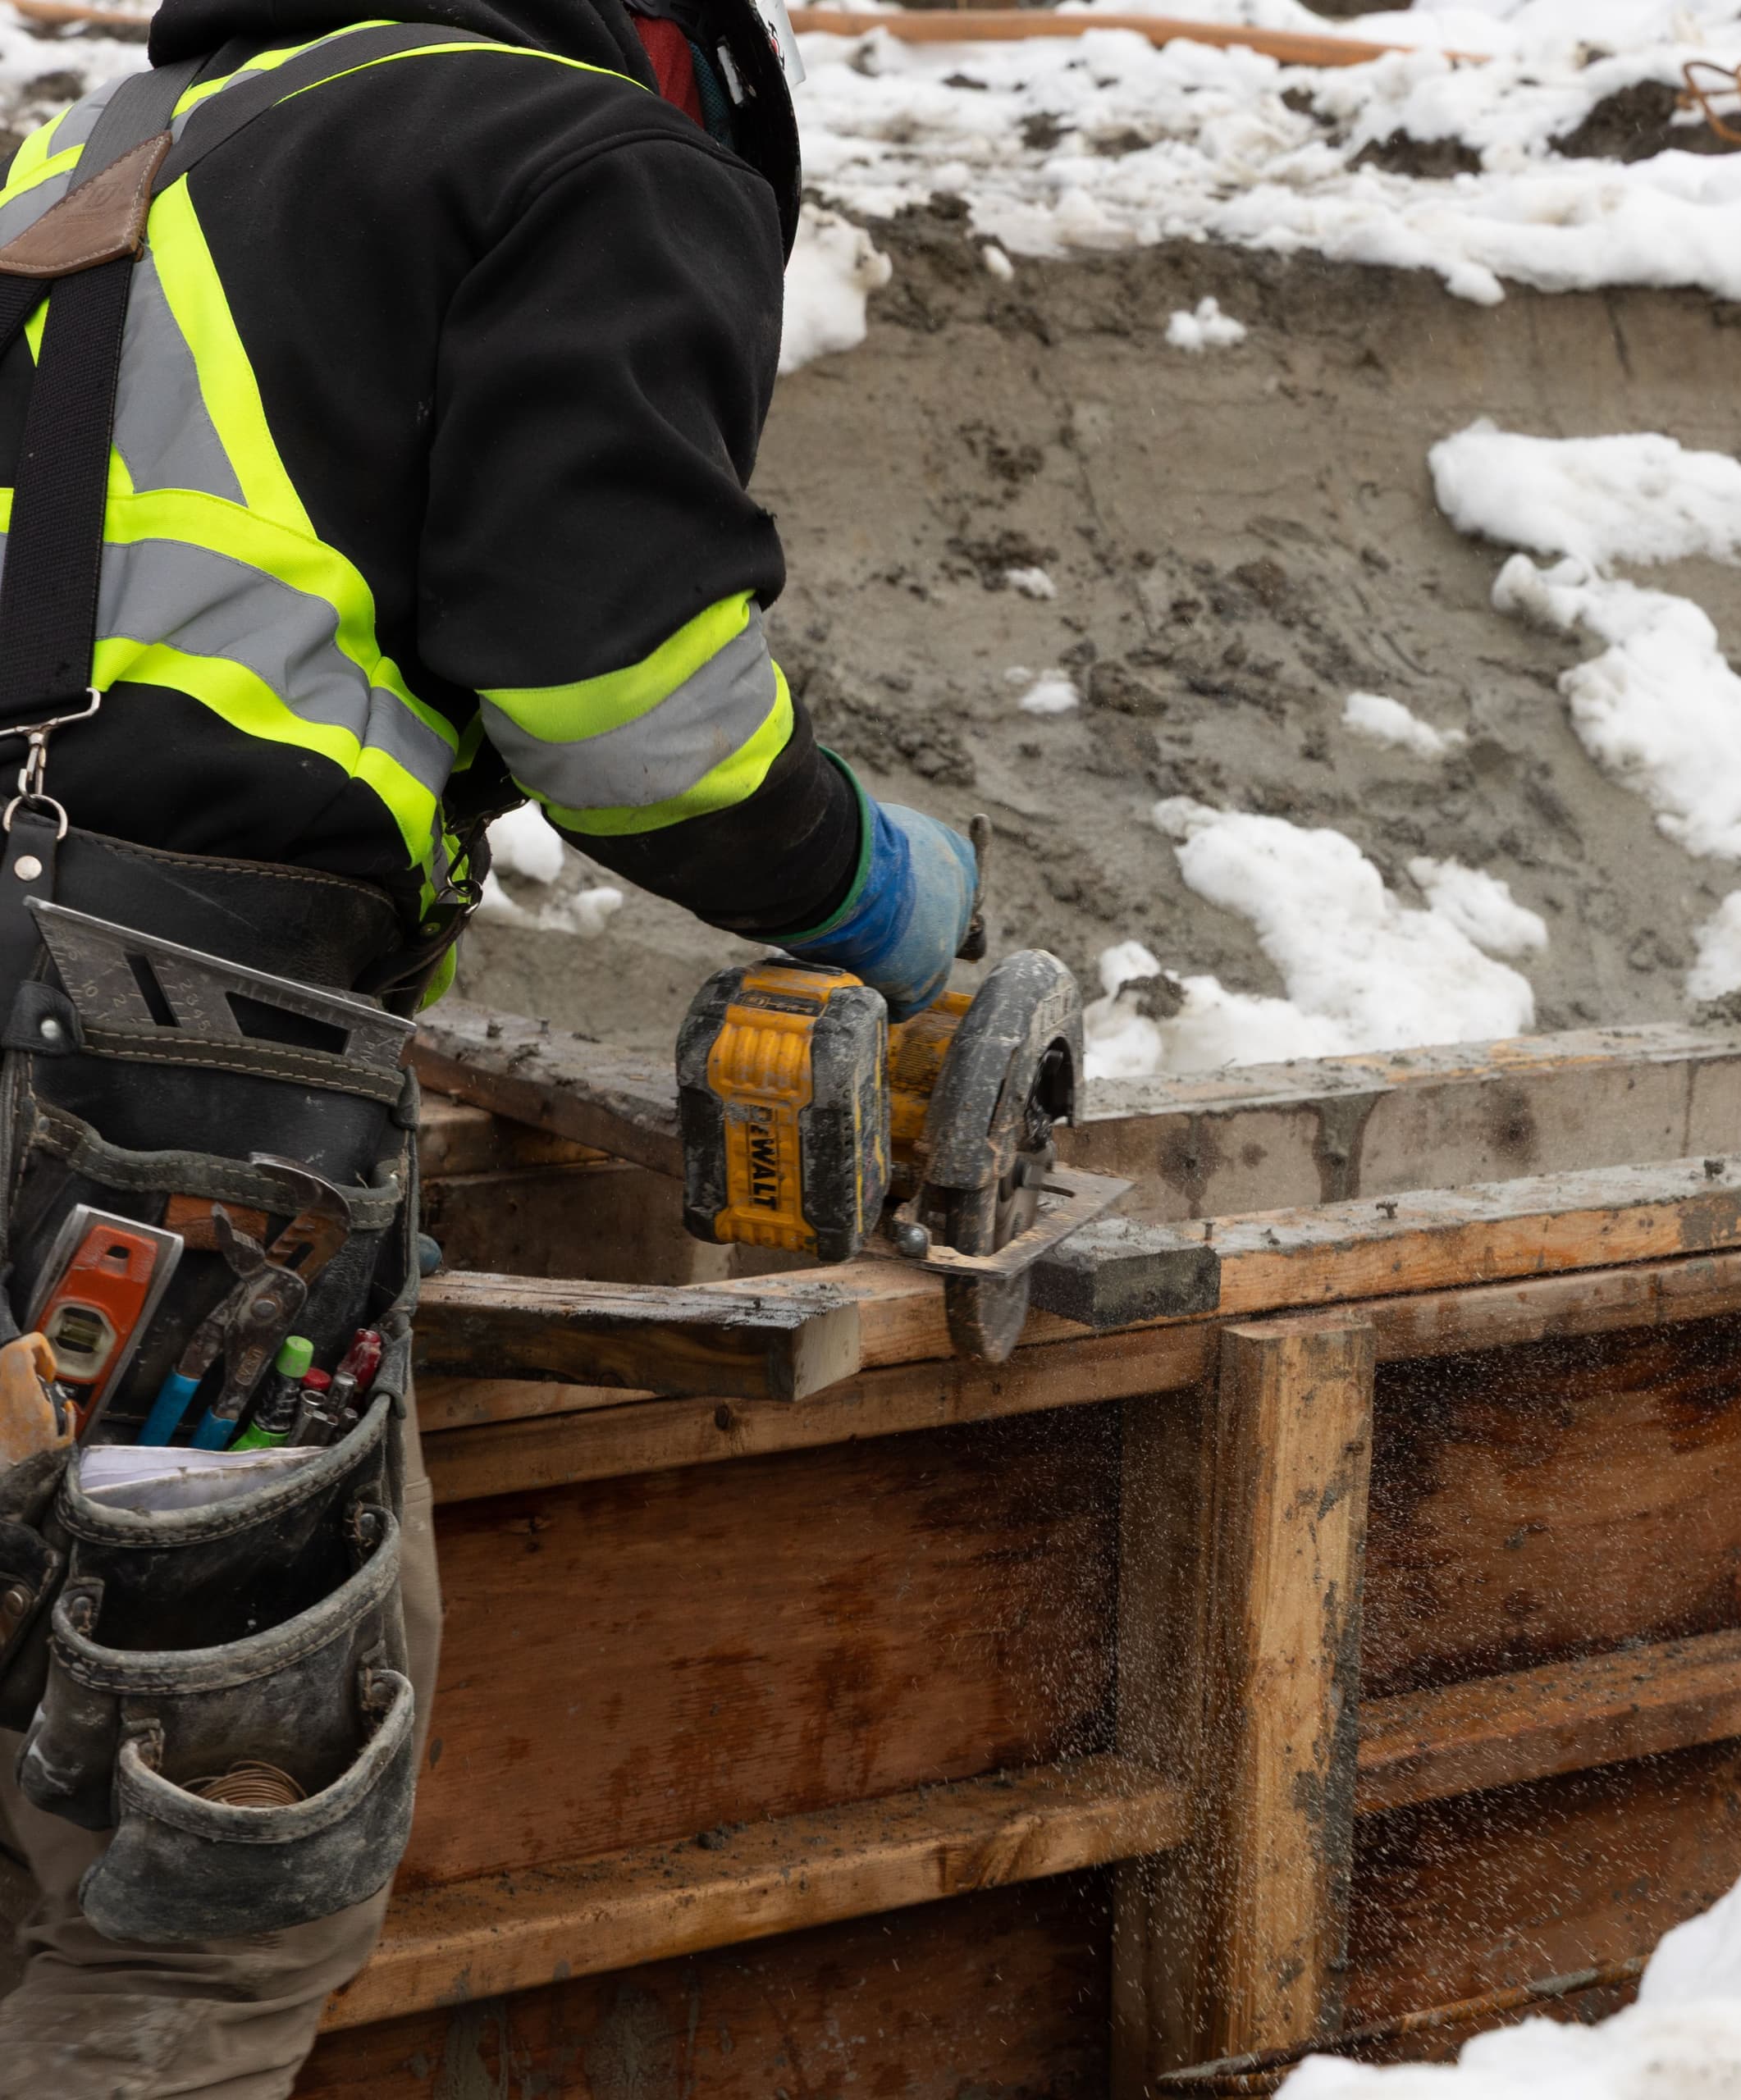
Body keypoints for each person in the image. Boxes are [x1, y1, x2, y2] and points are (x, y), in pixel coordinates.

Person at [0, 0, 973, 2081]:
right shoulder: (577, 156)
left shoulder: (99, 161)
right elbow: (629, 711)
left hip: (107, 1045)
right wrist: (872, 890)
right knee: (191, 1912)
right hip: (164, 1111)